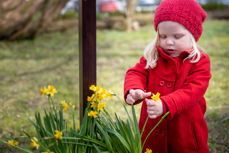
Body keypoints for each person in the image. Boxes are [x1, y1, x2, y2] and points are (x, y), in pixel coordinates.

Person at [124, 0, 211, 153]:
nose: (169, 42)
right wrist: (134, 89)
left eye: (177, 36)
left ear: (192, 36)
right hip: (152, 131)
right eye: (163, 36)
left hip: (185, 135)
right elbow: (136, 72)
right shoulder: (153, 57)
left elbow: (193, 91)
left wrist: (165, 105)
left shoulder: (199, 62)